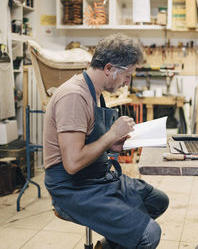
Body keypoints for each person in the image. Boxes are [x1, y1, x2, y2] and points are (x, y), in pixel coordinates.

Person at [43, 34, 169, 249]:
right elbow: (72, 163)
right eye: (127, 75)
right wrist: (110, 134)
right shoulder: (74, 96)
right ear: (109, 68)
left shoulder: (96, 93)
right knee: (149, 234)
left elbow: (88, 141)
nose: (128, 82)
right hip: (73, 188)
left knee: (157, 201)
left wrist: (112, 145)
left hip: (97, 177)